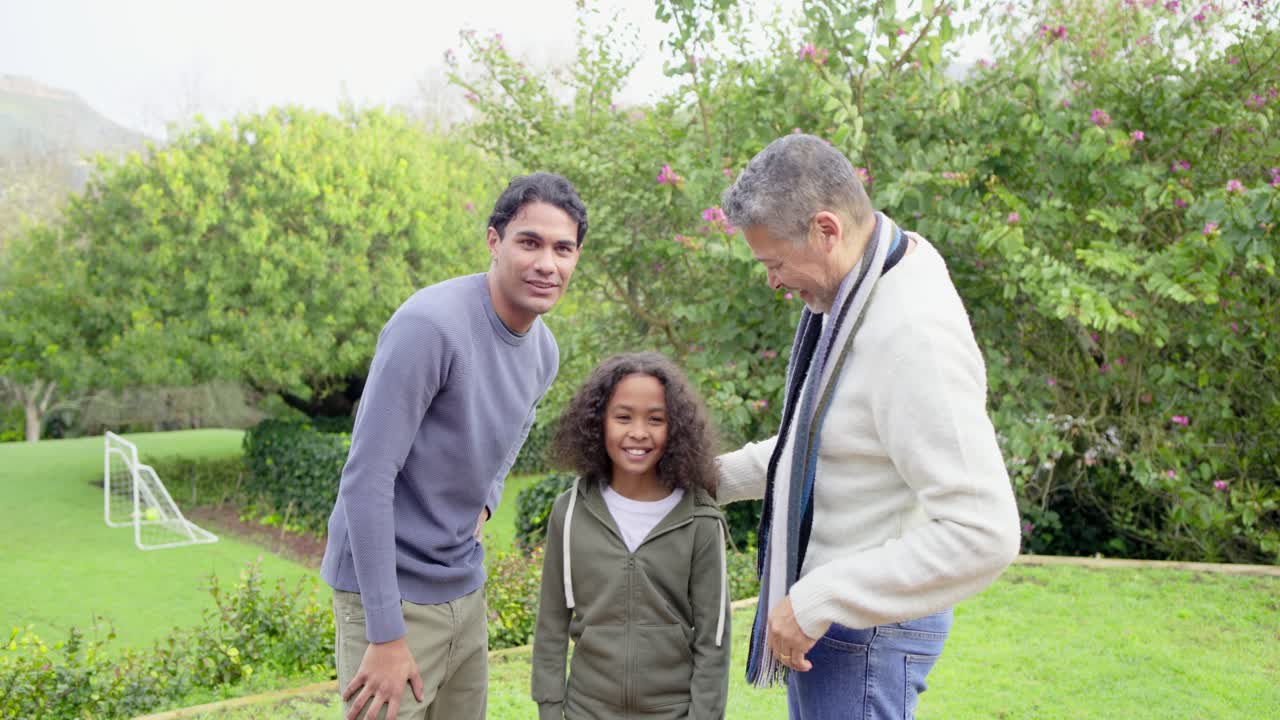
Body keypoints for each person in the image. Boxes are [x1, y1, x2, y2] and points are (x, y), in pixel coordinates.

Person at [715, 134, 1021, 719]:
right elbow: (829, 441)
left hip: (865, 636)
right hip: (846, 627)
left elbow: (985, 531)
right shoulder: (876, 272)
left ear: (827, 230)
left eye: (775, 262)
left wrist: (820, 598)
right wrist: (712, 478)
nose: (774, 282)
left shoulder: (911, 333)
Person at [319, 172, 588, 720]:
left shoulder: (544, 350)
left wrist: (487, 500)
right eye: (529, 242)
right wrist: (386, 634)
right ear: (494, 241)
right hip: (390, 594)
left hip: (463, 585)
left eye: (563, 249)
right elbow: (366, 477)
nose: (547, 264)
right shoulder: (429, 327)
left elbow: (514, 432)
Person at [531, 352, 732, 720]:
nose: (638, 432)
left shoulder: (701, 520)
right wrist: (549, 707)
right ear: (597, 423)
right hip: (585, 711)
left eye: (656, 420)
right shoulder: (570, 512)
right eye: (623, 417)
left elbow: (713, 640)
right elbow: (551, 624)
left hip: (673, 712)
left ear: (676, 429)